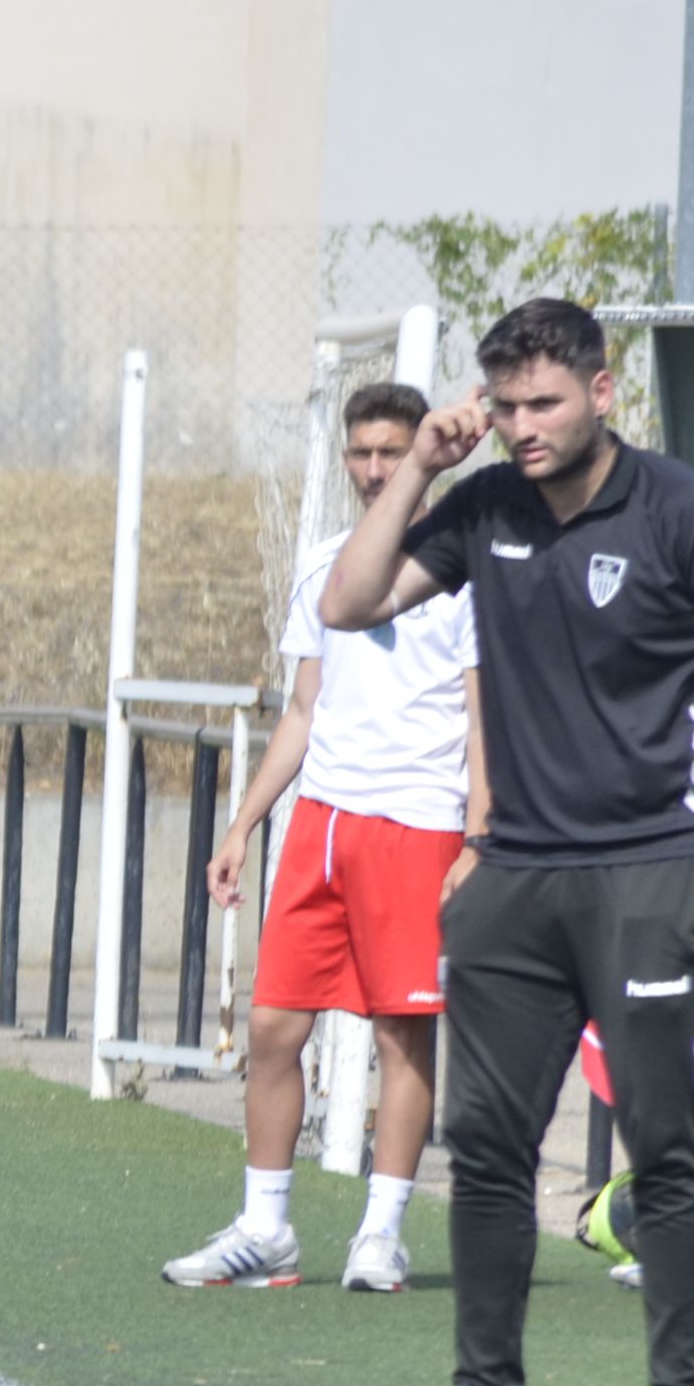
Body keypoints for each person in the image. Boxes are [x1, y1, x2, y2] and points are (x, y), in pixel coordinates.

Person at [323, 298, 694, 1386]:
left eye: (544, 401)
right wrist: (420, 471)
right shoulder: (483, 507)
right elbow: (347, 604)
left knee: (669, 1151)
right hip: (518, 878)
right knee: (484, 1147)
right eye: (504, 406)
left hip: (658, 871)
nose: (523, 426)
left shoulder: (684, 511)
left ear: (603, 393)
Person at [169, 382, 475, 1295]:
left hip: (418, 823)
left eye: (392, 450)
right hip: (323, 823)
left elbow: (482, 712)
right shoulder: (322, 564)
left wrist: (479, 837)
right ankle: (266, 1228)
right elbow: (306, 708)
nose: (376, 468)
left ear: (422, 453)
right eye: (362, 453)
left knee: (401, 1037)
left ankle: (381, 1233)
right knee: (271, 1027)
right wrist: (245, 820)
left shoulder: (464, 565)